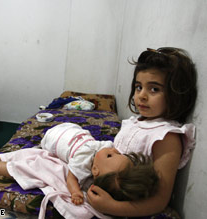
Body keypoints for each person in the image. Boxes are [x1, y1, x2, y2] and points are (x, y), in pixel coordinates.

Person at [86, 47, 197, 217]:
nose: (142, 96)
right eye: (138, 87)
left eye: (154, 89)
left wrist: (112, 206)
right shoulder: (135, 122)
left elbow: (160, 200)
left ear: (176, 94)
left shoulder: (166, 137)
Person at [40, 122, 159, 205]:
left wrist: (76, 192)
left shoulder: (82, 161)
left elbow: (71, 179)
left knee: (52, 139)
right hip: (76, 131)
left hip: (56, 138)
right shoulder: (104, 152)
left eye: (110, 155)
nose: (114, 150)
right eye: (119, 154)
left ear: (95, 170)